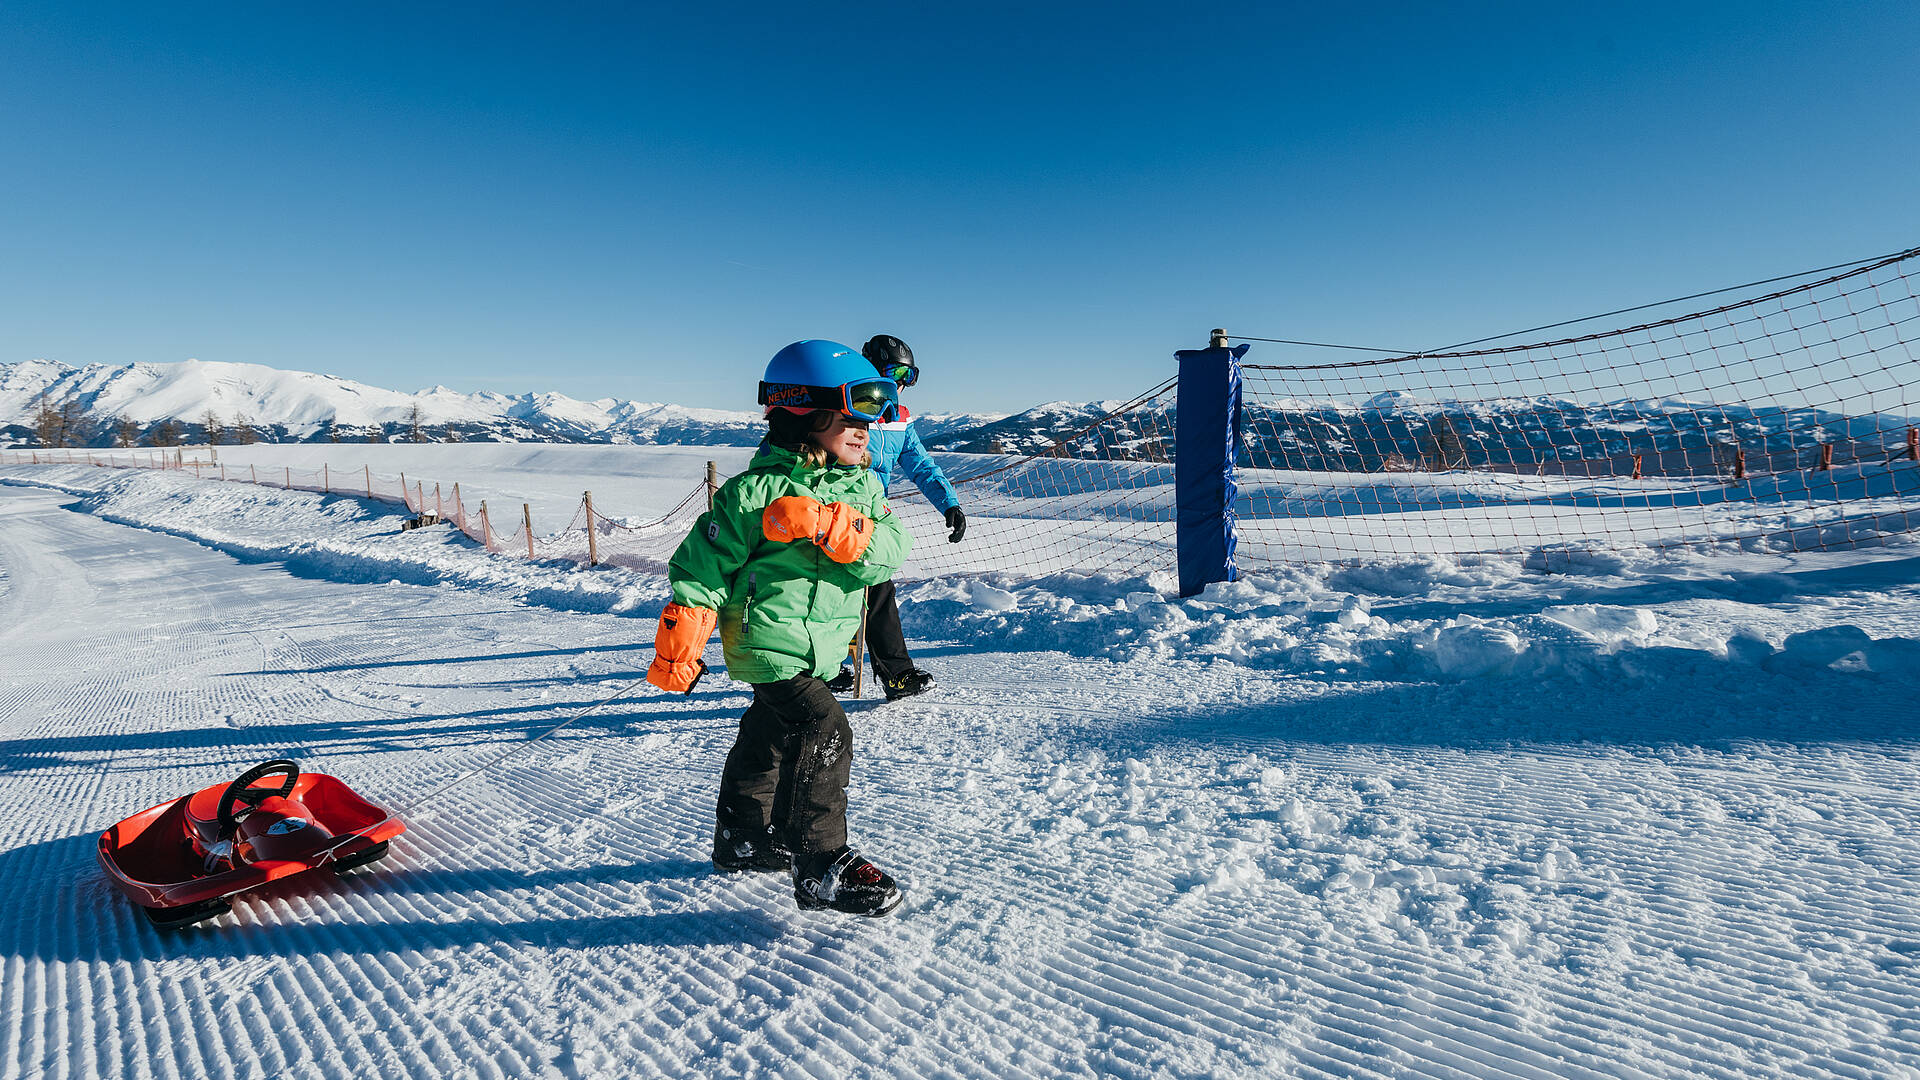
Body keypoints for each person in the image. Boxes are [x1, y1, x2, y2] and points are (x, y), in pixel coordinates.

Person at [647, 339, 911, 917]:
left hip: (821, 646)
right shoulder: (751, 494)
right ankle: (820, 862)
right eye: (851, 417)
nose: (866, 429)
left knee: (768, 733)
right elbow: (701, 568)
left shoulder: (862, 488)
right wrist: (681, 646)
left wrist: (829, 523)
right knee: (824, 725)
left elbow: (889, 553)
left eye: (872, 418)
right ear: (802, 415)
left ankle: (742, 838)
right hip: (768, 642)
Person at [823, 334, 966, 701]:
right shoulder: (846, 409)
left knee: (878, 589)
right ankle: (827, 665)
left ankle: (896, 675)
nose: (900, 382)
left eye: (908, 374)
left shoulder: (901, 420)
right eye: (894, 371)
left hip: (869, 518)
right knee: (830, 591)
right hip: (830, 513)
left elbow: (921, 465)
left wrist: (949, 504)